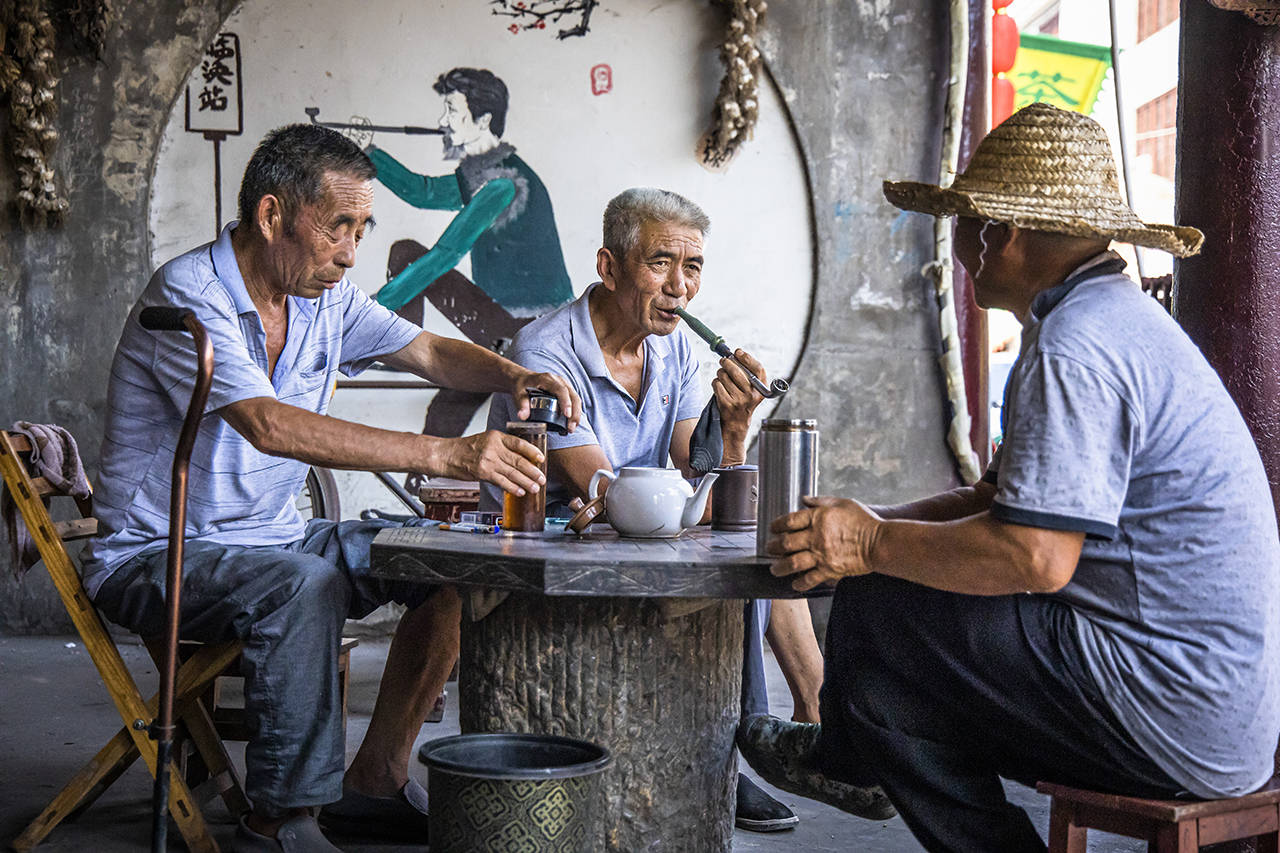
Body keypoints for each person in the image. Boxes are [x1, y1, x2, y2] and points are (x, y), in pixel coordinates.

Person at [737, 102, 1280, 852]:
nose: (962, 246)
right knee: (885, 657)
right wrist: (865, 521)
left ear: (1004, 233)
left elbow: (1035, 555)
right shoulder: (1108, 321)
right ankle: (858, 754)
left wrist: (868, 545)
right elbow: (996, 500)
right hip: (1215, 716)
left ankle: (851, 759)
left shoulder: (1075, 349)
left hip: (1170, 711)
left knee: (878, 600)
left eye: (966, 223)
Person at [82, 123, 580, 852]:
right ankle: (277, 817)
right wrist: (448, 453)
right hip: (160, 552)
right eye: (338, 226)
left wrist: (511, 373)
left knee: (446, 558)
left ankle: (373, 780)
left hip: (274, 536)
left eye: (362, 227)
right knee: (301, 583)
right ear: (273, 215)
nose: (351, 252)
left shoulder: (323, 298)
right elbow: (267, 424)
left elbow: (429, 350)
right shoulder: (189, 299)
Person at [482, 187, 826, 832]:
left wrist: (734, 424)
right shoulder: (545, 350)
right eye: (660, 263)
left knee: (774, 546)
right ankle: (749, 745)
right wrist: (692, 501)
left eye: (692, 267)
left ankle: (819, 734)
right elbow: (601, 488)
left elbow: (698, 466)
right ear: (609, 267)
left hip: (648, 528)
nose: (680, 287)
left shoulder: (676, 349)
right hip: (556, 535)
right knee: (741, 551)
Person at [367, 66, 572, 316]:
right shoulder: (482, 173)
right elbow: (423, 193)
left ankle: (387, 339)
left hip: (527, 321)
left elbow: (447, 253)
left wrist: (375, 306)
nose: (443, 121)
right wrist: (368, 151)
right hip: (501, 310)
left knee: (414, 262)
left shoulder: (503, 184)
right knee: (405, 253)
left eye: (452, 110)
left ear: (483, 120)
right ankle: (392, 344)